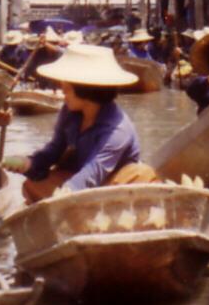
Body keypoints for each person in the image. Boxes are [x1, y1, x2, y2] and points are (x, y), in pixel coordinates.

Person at [18, 44, 149, 203]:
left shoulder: (118, 130)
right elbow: (55, 149)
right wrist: (30, 163)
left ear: (84, 89)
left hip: (114, 187)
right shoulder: (69, 112)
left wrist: (65, 192)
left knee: (140, 174)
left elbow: (94, 171)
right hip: (80, 179)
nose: (62, 90)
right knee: (33, 184)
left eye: (67, 86)